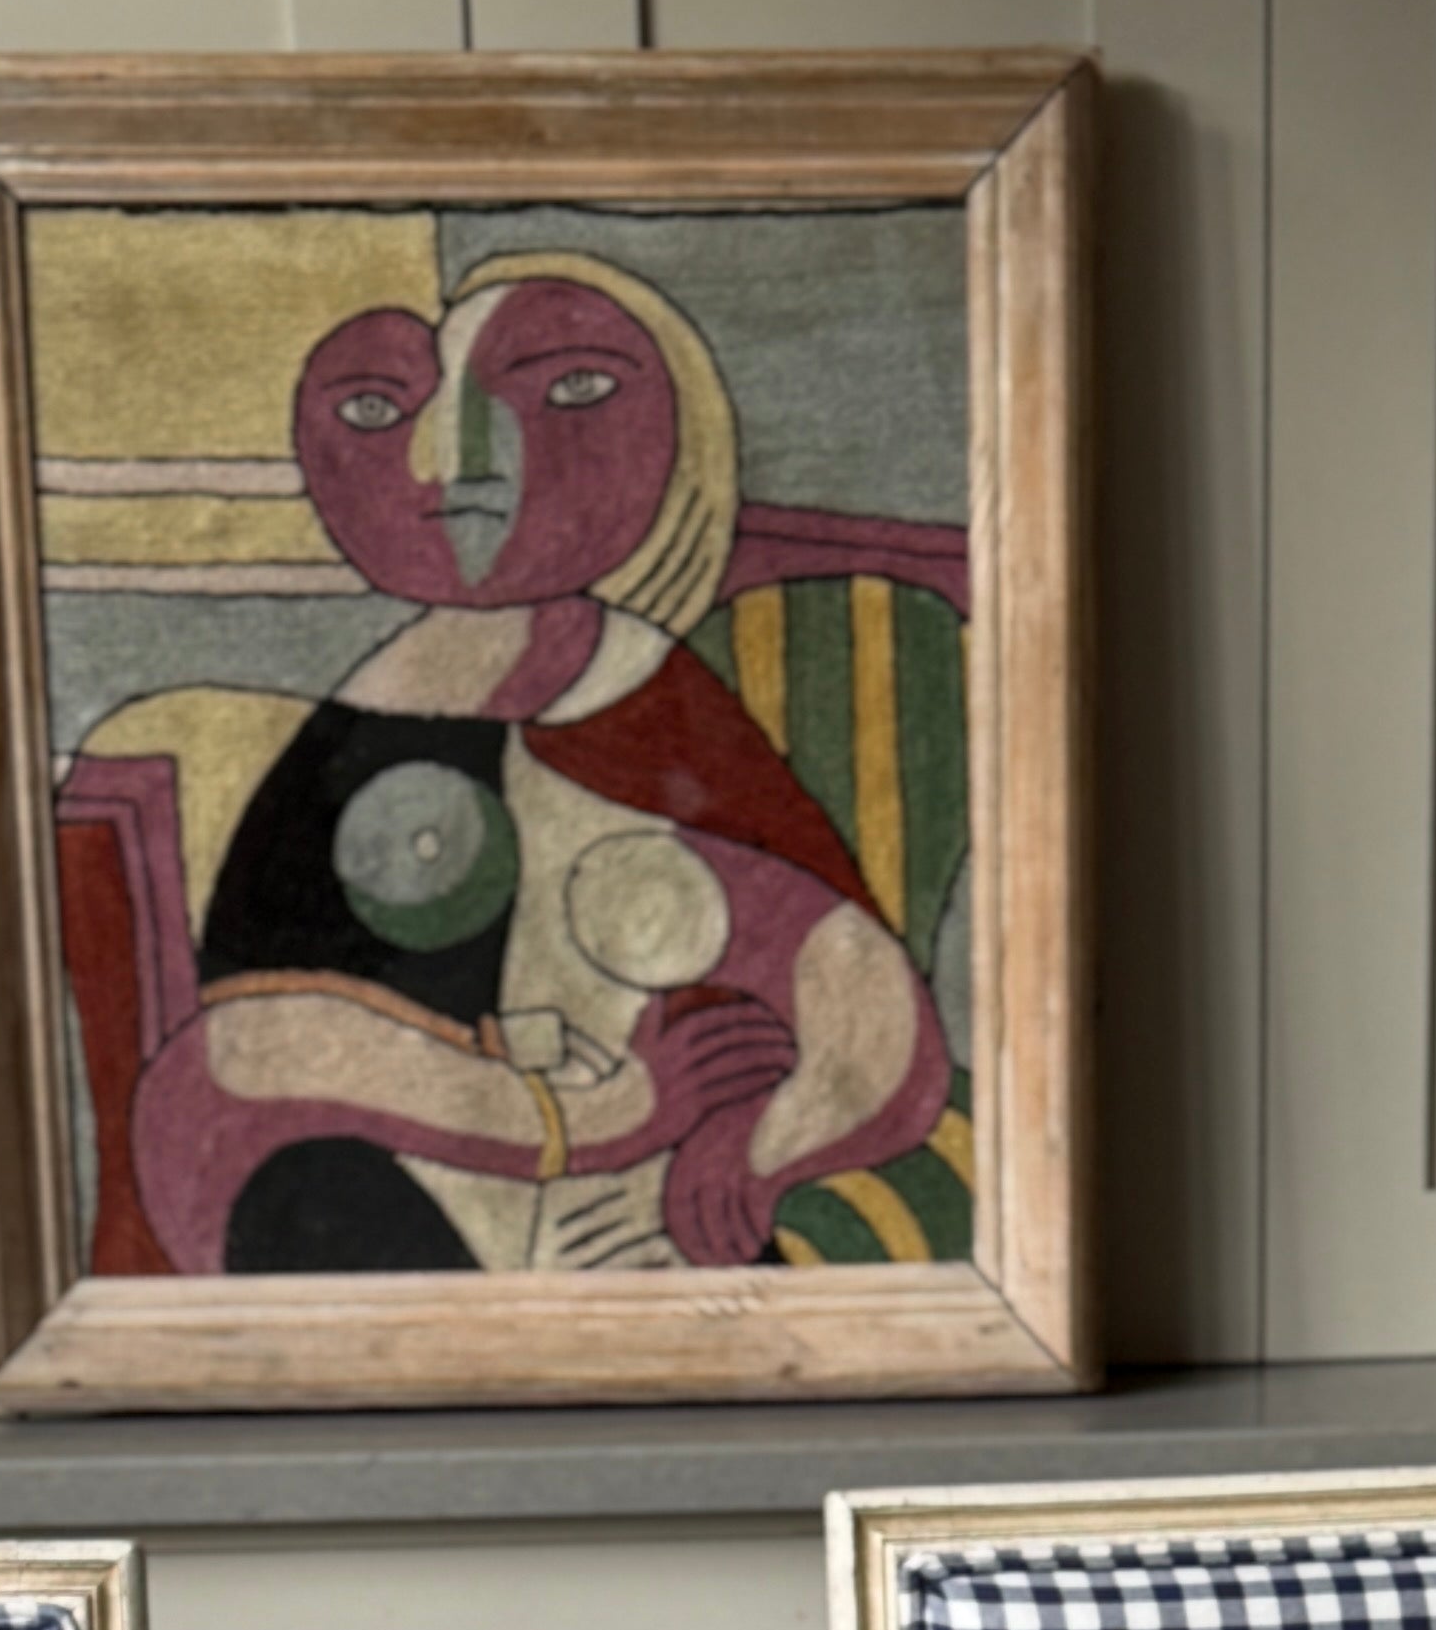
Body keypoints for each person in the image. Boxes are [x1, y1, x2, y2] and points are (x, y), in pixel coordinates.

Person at [127, 255, 948, 1278]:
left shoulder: (650, 702)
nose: (461, 464)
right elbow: (249, 1051)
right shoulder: (365, 724)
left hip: (641, 1226)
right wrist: (587, 1116)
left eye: (572, 392)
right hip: (399, 1197)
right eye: (382, 409)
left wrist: (760, 1145)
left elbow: (859, 997)